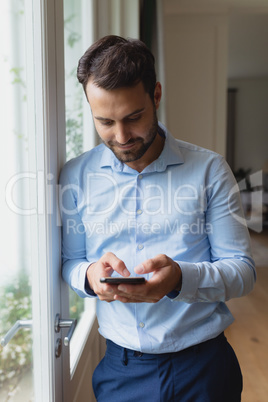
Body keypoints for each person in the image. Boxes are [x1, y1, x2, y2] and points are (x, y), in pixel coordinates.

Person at [60, 35, 256, 402]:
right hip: (121, 371)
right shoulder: (75, 176)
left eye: (133, 118)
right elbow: (71, 262)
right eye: (105, 121)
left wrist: (180, 277)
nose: (121, 137)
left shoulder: (210, 170)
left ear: (157, 95)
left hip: (205, 369)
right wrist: (89, 276)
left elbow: (243, 271)